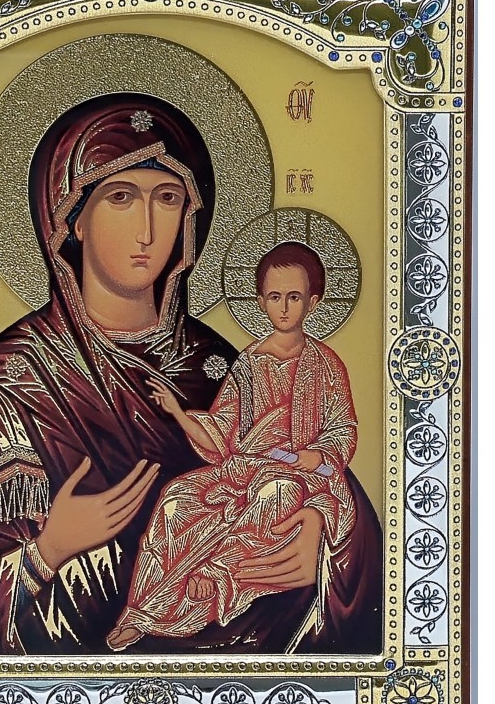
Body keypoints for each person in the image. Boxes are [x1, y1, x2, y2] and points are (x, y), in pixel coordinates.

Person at [0, 94, 382, 655]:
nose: (146, 229)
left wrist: (322, 535)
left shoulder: (225, 361)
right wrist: (49, 550)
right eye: (120, 197)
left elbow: (327, 468)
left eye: (167, 199)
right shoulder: (9, 383)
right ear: (71, 219)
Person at [107, 243, 360, 651]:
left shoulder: (326, 365)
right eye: (274, 297)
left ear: (313, 302)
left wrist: (316, 455)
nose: (283, 308)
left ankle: (214, 576)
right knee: (177, 497)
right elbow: (225, 431)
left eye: (294, 297)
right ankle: (142, 610)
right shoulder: (248, 364)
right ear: (260, 301)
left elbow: (342, 428)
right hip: (243, 469)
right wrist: (178, 413)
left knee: (274, 494)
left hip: (304, 477)